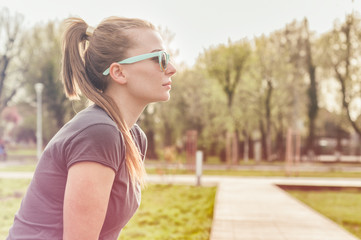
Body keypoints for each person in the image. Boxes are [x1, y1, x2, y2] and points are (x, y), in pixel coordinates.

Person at [7, 16, 176, 240]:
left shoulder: (133, 137)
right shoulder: (98, 132)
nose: (171, 68)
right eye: (160, 58)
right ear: (118, 72)